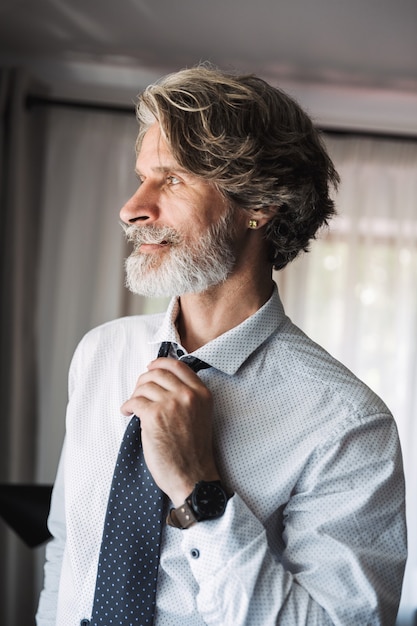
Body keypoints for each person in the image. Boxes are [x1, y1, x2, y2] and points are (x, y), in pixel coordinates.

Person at [37, 65, 406, 625]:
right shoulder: (100, 354)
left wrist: (198, 487)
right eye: (140, 177)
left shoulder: (347, 423)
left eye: (173, 178)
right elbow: (70, 551)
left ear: (259, 203)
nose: (132, 207)